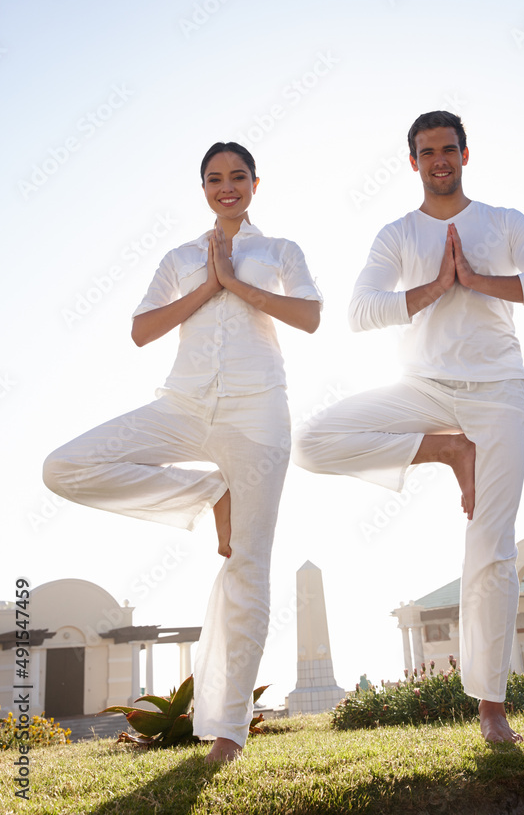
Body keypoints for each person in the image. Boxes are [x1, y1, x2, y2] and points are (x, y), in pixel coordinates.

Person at [293, 110, 524, 744]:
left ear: (466, 155)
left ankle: (491, 705)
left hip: (499, 393)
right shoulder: (396, 235)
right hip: (421, 390)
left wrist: (475, 281)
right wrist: (435, 287)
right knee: (312, 441)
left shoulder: (504, 222)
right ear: (412, 162)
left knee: (490, 548)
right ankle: (447, 451)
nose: (439, 159)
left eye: (449, 149)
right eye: (427, 151)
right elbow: (361, 311)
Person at [43, 142, 322, 763]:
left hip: (257, 413)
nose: (228, 187)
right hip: (183, 405)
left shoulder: (280, 251)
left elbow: (309, 316)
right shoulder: (179, 257)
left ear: (256, 183)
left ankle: (228, 732)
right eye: (216, 179)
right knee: (63, 467)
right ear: (203, 188)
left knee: (247, 565)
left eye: (238, 176)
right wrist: (210, 285)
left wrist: (240, 286)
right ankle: (206, 491)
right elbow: (142, 331)